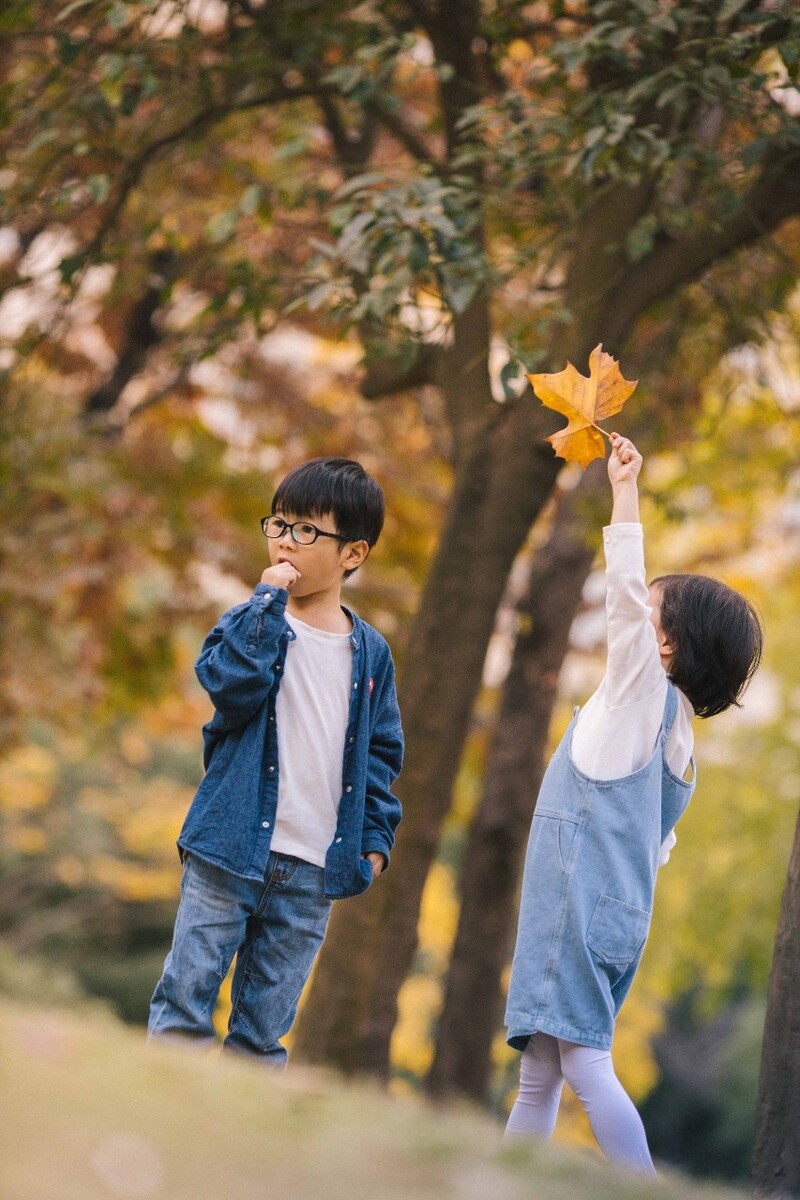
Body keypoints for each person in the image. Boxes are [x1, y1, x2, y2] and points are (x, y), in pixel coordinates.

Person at [504, 433, 762, 1173]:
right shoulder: (678, 741)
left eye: (647, 619)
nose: (631, 626)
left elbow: (622, 593)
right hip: (618, 915)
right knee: (543, 1070)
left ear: (667, 648)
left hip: (574, 907)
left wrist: (623, 490)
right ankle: (500, 1183)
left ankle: (641, 1188)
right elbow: (654, 842)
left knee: (583, 1063)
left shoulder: (637, 696)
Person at [148, 457, 403, 1064]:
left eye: (307, 530)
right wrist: (266, 601)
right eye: (279, 523)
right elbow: (229, 685)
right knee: (185, 1000)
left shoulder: (371, 654)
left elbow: (382, 756)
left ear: (353, 554)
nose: (286, 539)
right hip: (228, 848)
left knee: (262, 1034)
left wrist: (373, 844)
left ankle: (237, 1143)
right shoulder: (252, 621)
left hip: (313, 868)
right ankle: (161, 1117)